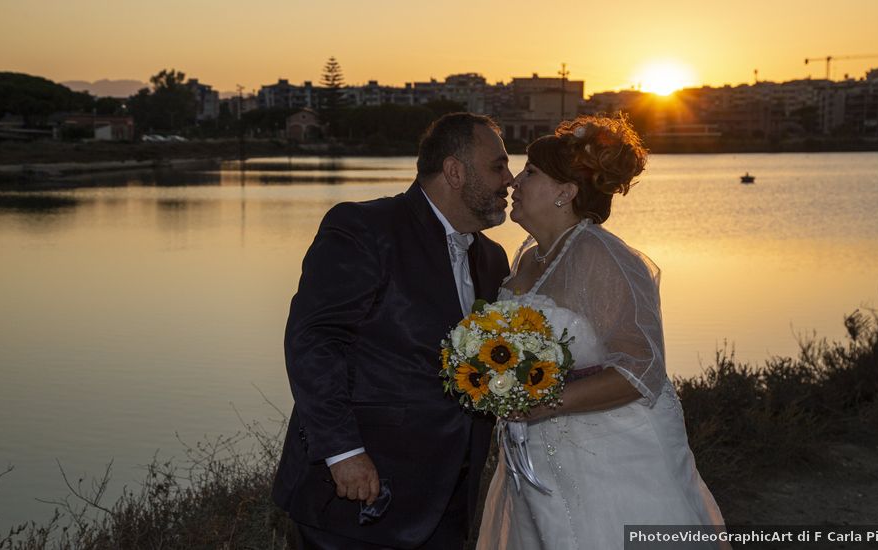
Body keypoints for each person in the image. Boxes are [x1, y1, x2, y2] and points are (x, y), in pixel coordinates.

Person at [477, 115, 726, 549]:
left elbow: (641, 367)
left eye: (531, 172)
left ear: (565, 192)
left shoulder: (604, 258)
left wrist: (547, 403)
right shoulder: (528, 259)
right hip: (536, 452)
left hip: (606, 454)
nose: (515, 180)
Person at [272, 113, 514, 549]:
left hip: (449, 506)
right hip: (357, 498)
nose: (510, 179)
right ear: (455, 171)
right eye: (498, 165)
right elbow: (314, 341)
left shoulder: (493, 259)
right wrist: (343, 452)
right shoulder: (365, 229)